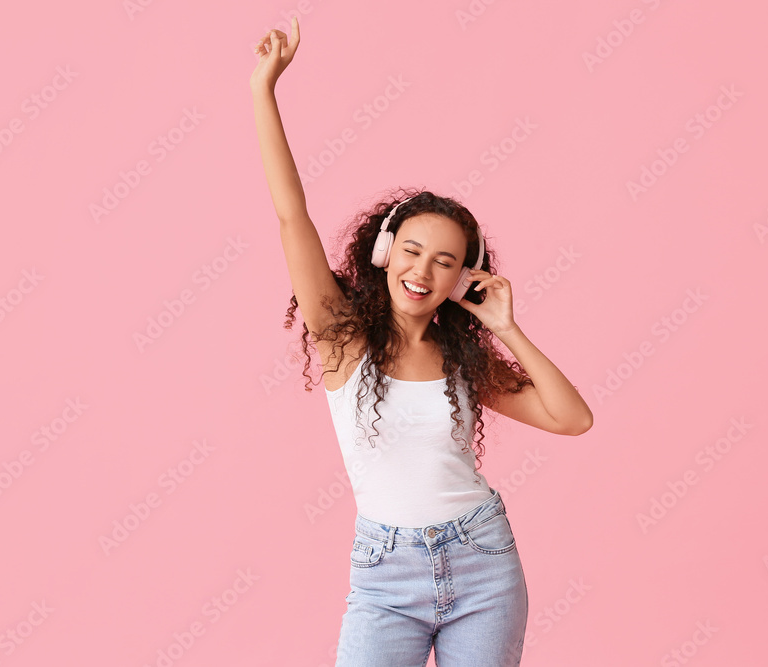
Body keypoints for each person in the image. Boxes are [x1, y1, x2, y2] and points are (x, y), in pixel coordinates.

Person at [251, 17, 593, 666]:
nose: (423, 270)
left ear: (462, 277)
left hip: (483, 560)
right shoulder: (342, 336)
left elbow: (573, 417)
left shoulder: (464, 360)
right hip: (386, 574)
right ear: (383, 254)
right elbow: (290, 212)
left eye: (444, 261)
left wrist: (505, 327)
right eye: (411, 250)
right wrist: (264, 90)